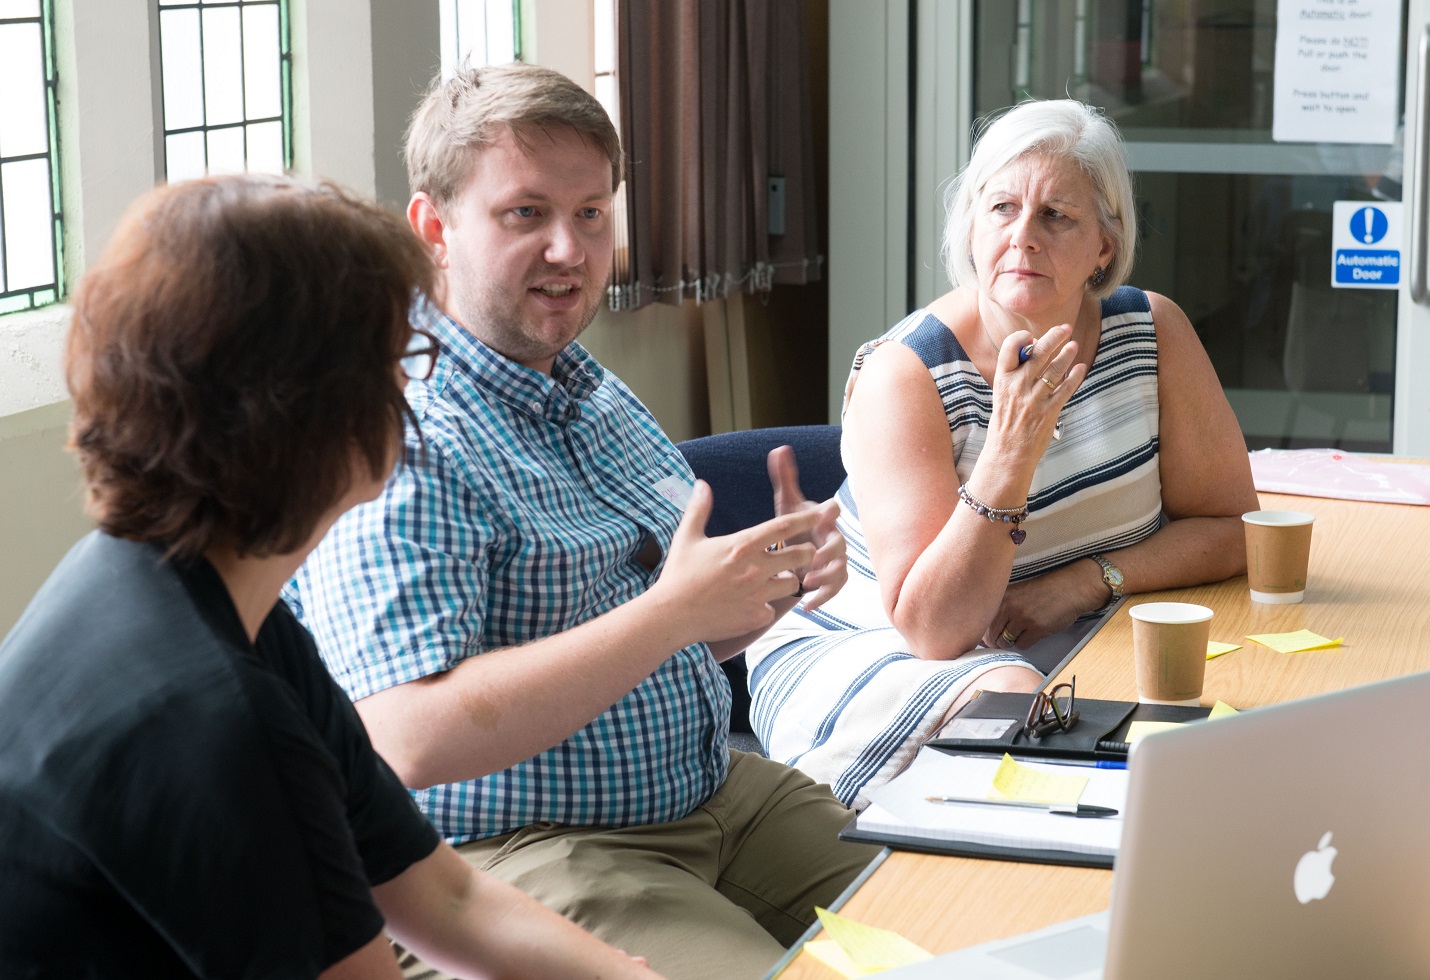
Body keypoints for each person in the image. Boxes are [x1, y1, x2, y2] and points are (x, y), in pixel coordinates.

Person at [286, 63, 877, 980]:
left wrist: (763, 591)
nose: (570, 249)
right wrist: (673, 614)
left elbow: (657, 630)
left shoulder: (582, 383)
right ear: (434, 230)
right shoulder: (400, 432)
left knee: (979, 912)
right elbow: (406, 736)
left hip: (715, 794)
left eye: (592, 212)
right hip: (521, 851)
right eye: (526, 213)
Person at [0, 175, 661, 978]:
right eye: (401, 355)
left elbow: (446, 897)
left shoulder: (201, 597)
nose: (415, 386)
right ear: (306, 407)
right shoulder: (219, 722)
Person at [745, 99, 1259, 808]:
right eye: (1001, 209)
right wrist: (1010, 450)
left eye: (1056, 216)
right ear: (971, 226)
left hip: (1070, 635)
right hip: (880, 650)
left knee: (1230, 724)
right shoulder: (906, 373)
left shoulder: (1152, 332)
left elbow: (1232, 532)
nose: (1023, 237)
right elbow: (934, 628)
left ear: (1103, 246)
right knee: (1041, 734)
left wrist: (1088, 580)